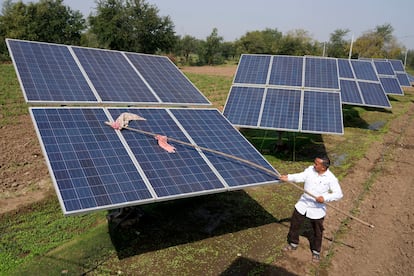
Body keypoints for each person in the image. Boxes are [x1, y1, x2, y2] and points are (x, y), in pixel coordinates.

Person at [279, 156, 343, 262]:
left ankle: (316, 251)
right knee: (295, 224)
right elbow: (301, 176)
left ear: (323, 167)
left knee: (317, 231)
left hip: (317, 209)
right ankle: (293, 243)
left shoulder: (331, 178)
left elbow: (338, 194)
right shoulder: (310, 170)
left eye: (317, 164)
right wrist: (288, 177)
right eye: (314, 163)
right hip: (303, 204)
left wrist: (325, 198)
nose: (314, 165)